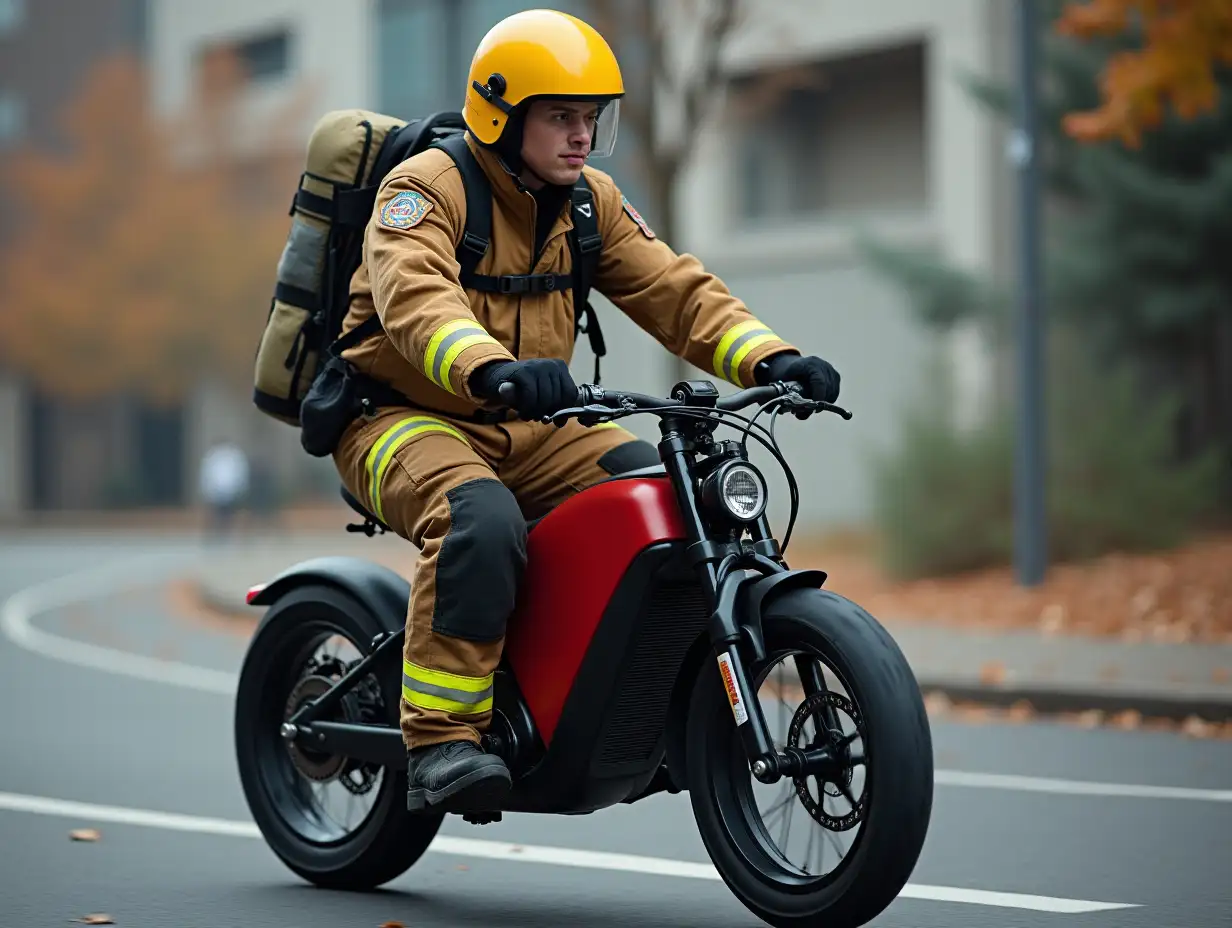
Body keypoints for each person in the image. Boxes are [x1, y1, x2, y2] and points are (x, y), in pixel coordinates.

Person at [330, 9, 841, 812]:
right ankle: (441, 738)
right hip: (398, 418)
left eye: (590, 119)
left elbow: (675, 291)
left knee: (661, 503)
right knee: (479, 518)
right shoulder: (426, 189)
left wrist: (769, 356)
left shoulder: (589, 203)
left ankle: (635, 702)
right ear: (502, 115)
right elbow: (414, 302)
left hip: (529, 428)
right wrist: (491, 368)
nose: (581, 135)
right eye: (561, 117)